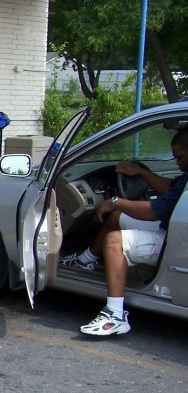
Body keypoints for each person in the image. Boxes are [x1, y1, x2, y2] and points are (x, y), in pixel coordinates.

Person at [60, 126, 188, 336]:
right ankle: (85, 260)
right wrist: (141, 173)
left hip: (172, 238)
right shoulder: (186, 176)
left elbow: (153, 212)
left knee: (114, 241)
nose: (177, 162)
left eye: (180, 157)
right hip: (173, 229)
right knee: (116, 218)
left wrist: (115, 201)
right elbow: (171, 189)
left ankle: (115, 316)